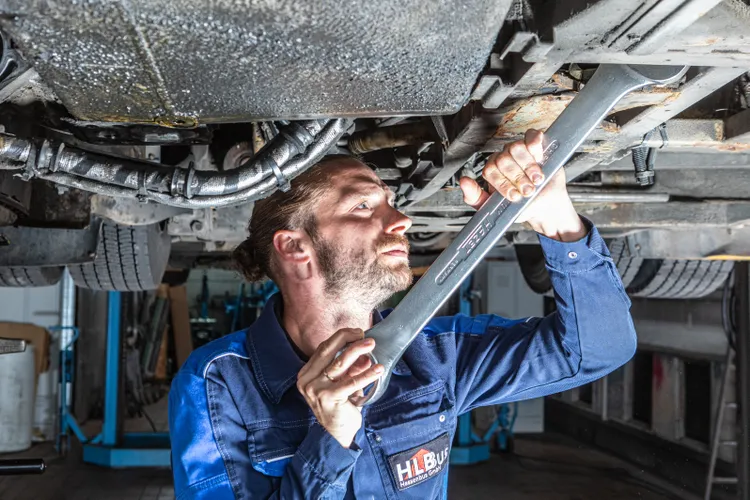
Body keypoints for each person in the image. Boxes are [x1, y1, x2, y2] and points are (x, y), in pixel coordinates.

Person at [168, 129, 637, 499]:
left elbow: (597, 350)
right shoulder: (218, 383)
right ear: (295, 247)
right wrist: (331, 440)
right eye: (363, 205)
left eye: (391, 202)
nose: (401, 220)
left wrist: (557, 221)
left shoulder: (438, 356)